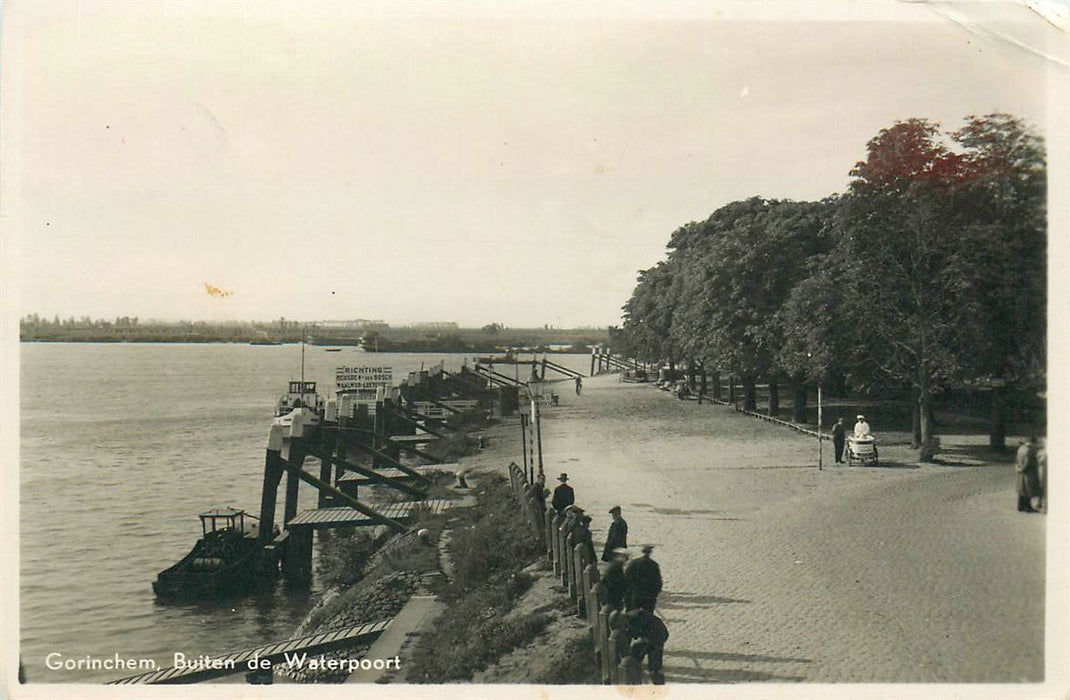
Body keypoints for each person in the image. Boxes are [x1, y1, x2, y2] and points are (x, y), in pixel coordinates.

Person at [625, 606, 669, 684]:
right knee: (636, 652)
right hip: (652, 634)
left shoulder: (631, 620)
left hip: (657, 636)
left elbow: (634, 634)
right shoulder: (631, 617)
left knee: (654, 667)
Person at [624, 544, 663, 612]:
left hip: (634, 595)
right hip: (648, 596)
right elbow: (658, 582)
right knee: (648, 616)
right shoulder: (653, 564)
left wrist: (627, 592)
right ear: (650, 553)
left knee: (631, 616)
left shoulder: (634, 563)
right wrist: (654, 594)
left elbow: (626, 578)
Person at [1016, 436, 1041, 513]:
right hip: (1029, 472)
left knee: (1021, 489)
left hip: (1020, 473)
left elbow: (1017, 460)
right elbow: (1028, 462)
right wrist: (1023, 469)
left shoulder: (1021, 448)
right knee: (1028, 489)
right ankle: (1027, 507)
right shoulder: (1030, 450)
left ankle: (1020, 506)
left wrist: (1018, 468)